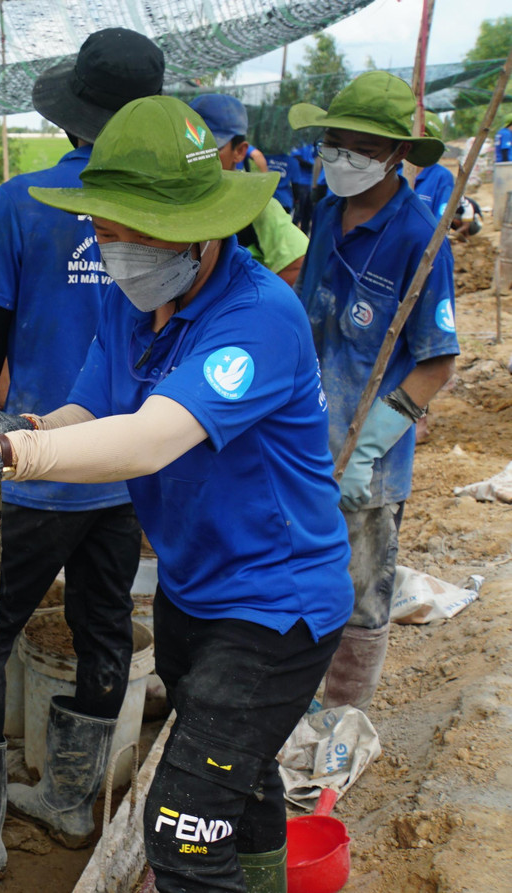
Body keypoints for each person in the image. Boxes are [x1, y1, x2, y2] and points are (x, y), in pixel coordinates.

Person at [0, 95, 351, 893]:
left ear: (204, 225)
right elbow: (93, 408)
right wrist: (26, 420)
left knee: (179, 829)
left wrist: (8, 452)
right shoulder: (131, 299)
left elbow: (149, 437)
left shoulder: (258, 319)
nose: (119, 248)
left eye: (142, 231)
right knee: (238, 785)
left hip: (274, 609)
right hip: (194, 590)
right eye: (107, 228)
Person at [0, 29, 164, 881]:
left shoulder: (25, 203)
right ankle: (70, 796)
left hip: (37, 466)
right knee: (103, 627)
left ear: (70, 114)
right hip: (126, 469)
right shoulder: (167, 211)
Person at [289, 72, 458, 714]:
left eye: (360, 146)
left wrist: (369, 447)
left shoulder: (421, 236)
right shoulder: (328, 210)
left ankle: (342, 717)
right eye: (334, 141)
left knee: (362, 592)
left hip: (369, 459)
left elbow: (436, 365)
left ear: (395, 155)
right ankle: (292, 701)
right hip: (305, 438)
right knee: (303, 575)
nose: (341, 158)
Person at [191, 94, 308, 286]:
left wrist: (246, 300)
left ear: (239, 151)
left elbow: (297, 264)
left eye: (211, 149)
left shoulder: (258, 207)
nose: (197, 158)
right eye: (191, 147)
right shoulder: (174, 195)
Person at [291, 141, 318, 233]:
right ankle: (292, 235)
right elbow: (296, 158)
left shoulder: (317, 146)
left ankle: (304, 237)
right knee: (298, 213)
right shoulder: (301, 144)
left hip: (312, 184)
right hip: (301, 182)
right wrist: (313, 166)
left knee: (308, 215)